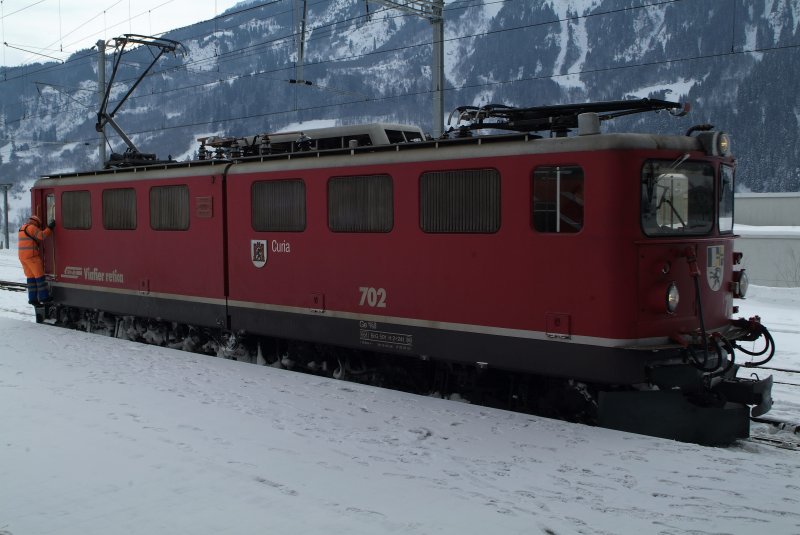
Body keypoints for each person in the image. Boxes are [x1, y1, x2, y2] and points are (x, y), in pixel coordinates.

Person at [18, 214, 55, 306]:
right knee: (40, 277)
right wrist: (50, 228)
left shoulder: (22, 228)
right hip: (32, 257)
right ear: (36, 223)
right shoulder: (32, 228)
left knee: (30, 278)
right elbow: (41, 236)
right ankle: (44, 297)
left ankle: (33, 299)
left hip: (22, 257)